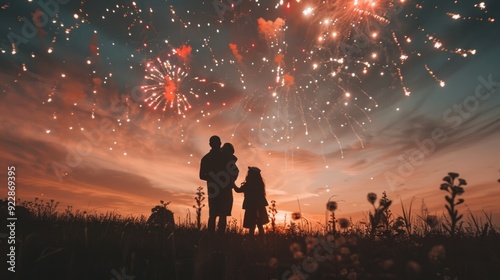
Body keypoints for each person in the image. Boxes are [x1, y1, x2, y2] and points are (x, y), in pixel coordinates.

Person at [199, 136, 237, 234]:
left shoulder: (206, 158)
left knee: (214, 214)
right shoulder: (225, 157)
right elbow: (235, 171)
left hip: (214, 189)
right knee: (220, 214)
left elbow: (202, 176)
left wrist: (213, 178)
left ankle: (213, 237)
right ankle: (219, 237)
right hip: (221, 189)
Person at [234, 166, 269, 237]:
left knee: (251, 226)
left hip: (251, 207)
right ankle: (261, 241)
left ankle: (251, 241)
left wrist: (232, 183)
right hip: (259, 207)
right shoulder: (260, 185)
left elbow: (238, 190)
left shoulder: (248, 185)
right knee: (260, 225)